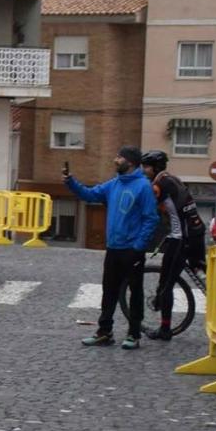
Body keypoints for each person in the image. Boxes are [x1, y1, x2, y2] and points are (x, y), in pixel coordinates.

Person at [64, 146, 161, 349]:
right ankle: (104, 332)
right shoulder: (114, 184)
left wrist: (139, 246)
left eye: (119, 157)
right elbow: (90, 195)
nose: (115, 160)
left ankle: (133, 334)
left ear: (130, 163)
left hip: (131, 250)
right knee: (109, 292)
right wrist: (71, 182)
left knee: (135, 292)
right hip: (114, 248)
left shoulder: (143, 186)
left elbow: (151, 219)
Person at [140, 150, 197, 342]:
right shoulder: (172, 179)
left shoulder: (160, 184)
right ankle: (164, 327)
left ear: (155, 167)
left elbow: (146, 206)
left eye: (146, 166)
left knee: (166, 287)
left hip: (182, 238)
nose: (143, 170)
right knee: (165, 283)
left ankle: (165, 330)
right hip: (181, 236)